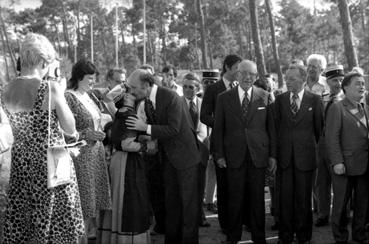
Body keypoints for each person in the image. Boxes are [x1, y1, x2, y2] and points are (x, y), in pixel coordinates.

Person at [0, 33, 84, 243]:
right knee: (57, 223)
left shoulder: (4, 90)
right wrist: (61, 92)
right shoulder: (51, 88)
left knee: (23, 220)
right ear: (44, 60)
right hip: (51, 163)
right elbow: (70, 128)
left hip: (21, 163)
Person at [126, 69, 201, 244]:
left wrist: (145, 128)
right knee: (172, 204)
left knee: (188, 207)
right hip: (168, 159)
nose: (131, 91)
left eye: (133, 87)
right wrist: (149, 136)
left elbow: (174, 129)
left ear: (146, 85)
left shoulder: (170, 97)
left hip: (185, 159)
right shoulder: (147, 99)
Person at [213, 60, 276, 244]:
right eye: (243, 73)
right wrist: (219, 155)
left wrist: (272, 155)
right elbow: (218, 129)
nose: (247, 77)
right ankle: (233, 238)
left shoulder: (265, 96)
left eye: (252, 74)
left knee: (257, 201)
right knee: (234, 200)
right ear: (237, 75)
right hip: (233, 158)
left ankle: (259, 238)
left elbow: (271, 129)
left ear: (256, 77)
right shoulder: (224, 98)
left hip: (258, 157)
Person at [274, 64, 323, 244]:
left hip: (306, 160)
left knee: (304, 201)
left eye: (292, 79)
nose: (287, 82)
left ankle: (303, 237)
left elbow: (319, 131)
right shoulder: (279, 100)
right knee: (285, 200)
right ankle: (285, 236)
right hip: (285, 159)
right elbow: (275, 129)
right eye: (286, 78)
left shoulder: (315, 100)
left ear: (303, 79)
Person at [65, 59, 111, 241]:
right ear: (79, 77)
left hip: (95, 153)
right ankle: (79, 237)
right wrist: (86, 134)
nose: (93, 81)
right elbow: (64, 131)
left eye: (94, 78)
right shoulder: (69, 97)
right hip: (81, 155)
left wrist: (100, 133)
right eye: (90, 78)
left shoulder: (90, 96)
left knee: (93, 201)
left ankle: (89, 235)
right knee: (84, 202)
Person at [98, 92, 152, 244]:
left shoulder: (119, 114)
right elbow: (127, 145)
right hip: (127, 163)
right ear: (126, 99)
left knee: (116, 199)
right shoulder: (129, 115)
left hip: (117, 160)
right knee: (129, 199)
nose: (134, 95)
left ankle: (113, 237)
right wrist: (147, 146)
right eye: (129, 94)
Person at [200, 54, 242, 234]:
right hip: (221, 145)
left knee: (240, 185)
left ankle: (242, 220)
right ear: (227, 67)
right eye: (237, 69)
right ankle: (225, 224)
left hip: (241, 145)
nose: (240, 72)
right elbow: (204, 115)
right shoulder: (213, 89)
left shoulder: (243, 87)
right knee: (224, 186)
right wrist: (221, 124)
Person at [326, 72, 369, 244]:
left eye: (363, 83)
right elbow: (331, 137)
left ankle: (359, 235)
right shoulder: (337, 107)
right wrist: (337, 161)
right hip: (344, 165)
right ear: (346, 87)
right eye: (358, 83)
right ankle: (340, 237)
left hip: (365, 165)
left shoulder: (365, 107)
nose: (362, 86)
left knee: (362, 204)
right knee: (341, 205)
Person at [315, 64, 345, 228]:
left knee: (339, 183)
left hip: (339, 146)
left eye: (341, 79)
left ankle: (341, 214)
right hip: (322, 145)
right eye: (334, 80)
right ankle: (322, 214)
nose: (338, 83)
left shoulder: (347, 100)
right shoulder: (323, 98)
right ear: (327, 81)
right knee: (322, 182)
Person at [182, 72, 210, 228]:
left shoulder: (203, 103)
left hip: (201, 150)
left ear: (197, 88)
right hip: (184, 151)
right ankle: (187, 217)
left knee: (200, 185)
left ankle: (200, 215)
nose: (187, 90)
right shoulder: (177, 103)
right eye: (185, 87)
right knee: (186, 186)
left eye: (191, 87)